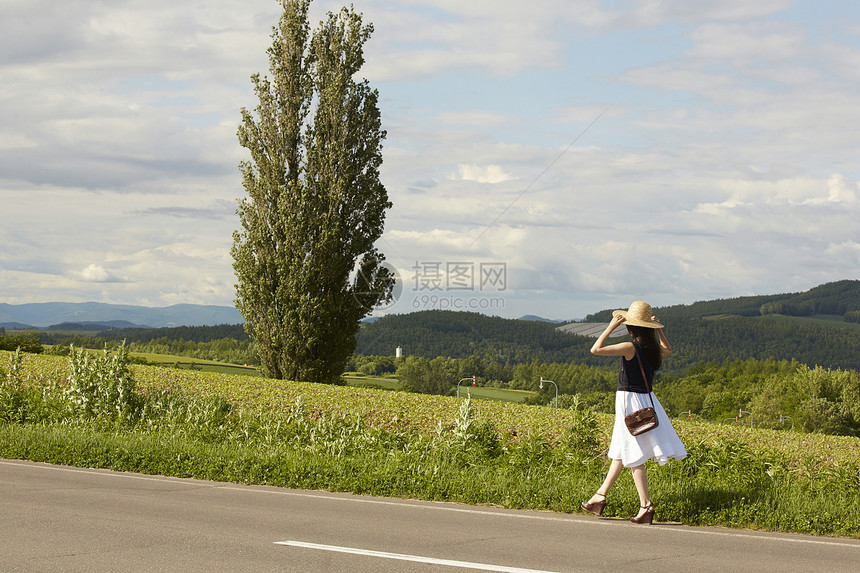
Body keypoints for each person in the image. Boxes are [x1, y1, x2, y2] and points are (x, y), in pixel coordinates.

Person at [581, 301, 687, 524]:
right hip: (645, 399)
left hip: (629, 400)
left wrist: (610, 327)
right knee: (622, 450)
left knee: (632, 451)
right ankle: (599, 497)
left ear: (631, 328)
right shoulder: (651, 349)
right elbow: (668, 351)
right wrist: (658, 331)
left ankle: (645, 505)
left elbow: (595, 349)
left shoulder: (630, 347)